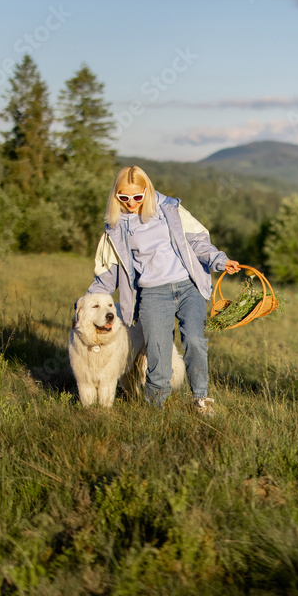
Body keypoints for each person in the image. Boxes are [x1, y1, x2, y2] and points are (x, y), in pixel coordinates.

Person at [87, 165, 240, 416]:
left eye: (137, 196)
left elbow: (198, 242)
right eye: (124, 197)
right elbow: (106, 276)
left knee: (194, 340)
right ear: (116, 196)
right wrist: (82, 306)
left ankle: (201, 401)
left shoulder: (169, 209)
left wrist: (220, 261)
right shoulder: (114, 229)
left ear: (147, 190)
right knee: (158, 356)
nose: (131, 202)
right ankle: (154, 411)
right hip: (153, 294)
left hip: (188, 286)